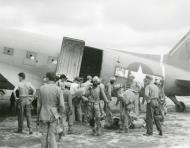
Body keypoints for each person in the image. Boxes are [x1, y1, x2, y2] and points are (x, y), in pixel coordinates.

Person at [37, 72, 65, 148]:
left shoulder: (41, 88)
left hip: (43, 113)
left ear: (48, 78)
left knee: (44, 135)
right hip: (54, 114)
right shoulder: (58, 89)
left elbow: (39, 104)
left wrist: (38, 115)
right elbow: (62, 105)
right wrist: (60, 114)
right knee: (52, 135)